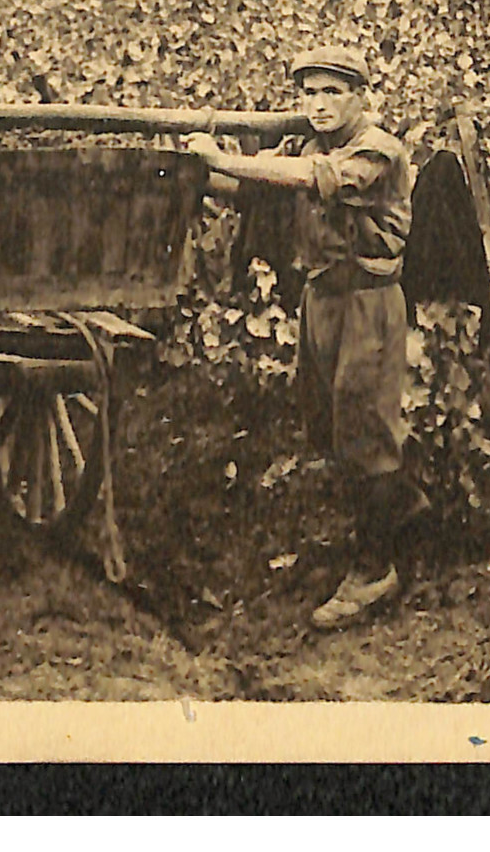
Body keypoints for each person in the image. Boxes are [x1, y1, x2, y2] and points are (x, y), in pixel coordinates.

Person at [186, 46, 427, 630]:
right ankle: (410, 522)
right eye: (309, 93)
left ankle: (376, 569)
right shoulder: (306, 145)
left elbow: (306, 180)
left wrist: (225, 156)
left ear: (360, 96)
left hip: (368, 302)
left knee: (364, 424)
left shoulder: (377, 149)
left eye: (331, 92)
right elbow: (248, 190)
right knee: (331, 422)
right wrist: (193, 170)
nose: (318, 105)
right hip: (321, 300)